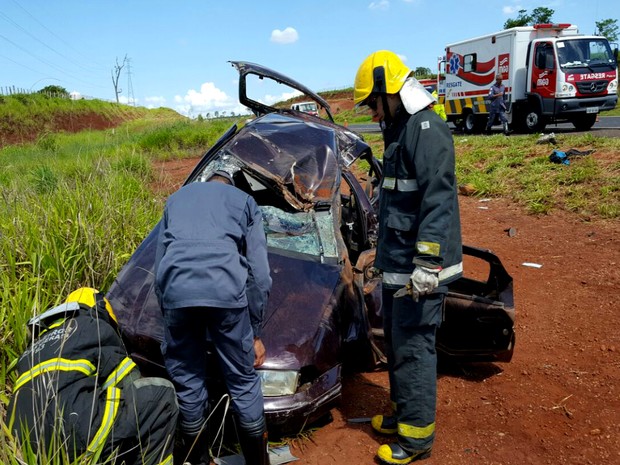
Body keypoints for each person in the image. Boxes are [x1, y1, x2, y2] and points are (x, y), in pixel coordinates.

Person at [353, 50, 463, 464]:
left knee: (415, 350)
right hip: (401, 266)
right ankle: (403, 416)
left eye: (372, 101)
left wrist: (428, 265)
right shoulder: (401, 126)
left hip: (422, 269)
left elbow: (439, 201)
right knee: (399, 345)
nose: (371, 110)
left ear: (389, 90)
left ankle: (416, 440)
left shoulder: (427, 128)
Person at [154, 168, 272, 465]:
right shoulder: (244, 201)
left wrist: (170, 313)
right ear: (228, 186)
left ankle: (198, 460)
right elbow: (260, 276)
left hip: (177, 294)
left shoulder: (176, 199)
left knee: (188, 379)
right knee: (243, 381)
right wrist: (254, 331)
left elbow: (159, 269)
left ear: (206, 184)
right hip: (226, 297)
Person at [8, 287, 178, 465]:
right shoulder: (94, 326)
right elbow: (130, 382)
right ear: (99, 309)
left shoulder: (34, 345)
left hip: (23, 444)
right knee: (160, 396)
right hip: (75, 433)